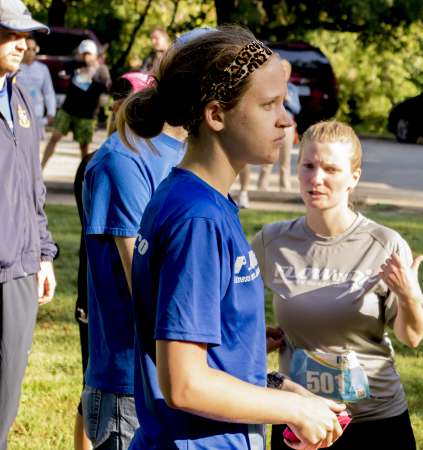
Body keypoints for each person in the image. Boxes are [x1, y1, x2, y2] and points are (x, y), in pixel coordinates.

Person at [117, 25, 345, 450]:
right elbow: (184, 383)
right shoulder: (197, 218)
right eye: (268, 105)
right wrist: (296, 411)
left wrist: (277, 385)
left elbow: (205, 349)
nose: (286, 119)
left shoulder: (197, 199)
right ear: (216, 115)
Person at [251, 120, 423, 450]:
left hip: (375, 420)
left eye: (331, 169)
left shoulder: (384, 244)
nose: (316, 179)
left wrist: (408, 295)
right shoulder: (271, 242)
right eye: (308, 165)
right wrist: (254, 339)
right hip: (300, 418)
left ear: (354, 177)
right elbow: (230, 313)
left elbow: (412, 336)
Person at [80, 67, 187, 449]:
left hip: (182, 377)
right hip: (131, 384)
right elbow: (142, 285)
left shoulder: (187, 155)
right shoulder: (122, 160)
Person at [0, 1, 58, 449]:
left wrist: (42, 253)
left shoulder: (19, 97)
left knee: (6, 393)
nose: (23, 43)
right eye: (11, 33)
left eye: (25, 34)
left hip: (18, 269)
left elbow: (32, 184)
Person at [238, 59, 300, 208]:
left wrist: (288, 100)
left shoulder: (292, 89)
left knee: (284, 159)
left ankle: (285, 188)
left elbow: (297, 109)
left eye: (286, 70)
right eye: (281, 69)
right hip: (270, 124)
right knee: (267, 159)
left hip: (288, 126)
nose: (283, 72)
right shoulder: (268, 88)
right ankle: (261, 188)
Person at [41, 39, 110, 169]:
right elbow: (61, 71)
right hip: (67, 109)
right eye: (83, 53)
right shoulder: (74, 64)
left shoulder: (102, 70)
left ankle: (84, 178)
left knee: (84, 148)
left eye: (89, 54)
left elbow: (106, 89)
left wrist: (93, 74)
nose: (86, 56)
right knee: (54, 137)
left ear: (95, 54)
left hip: (87, 115)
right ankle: (41, 169)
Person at [17, 36, 56, 139]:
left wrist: (51, 112)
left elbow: (48, 92)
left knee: (35, 149)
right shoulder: (14, 67)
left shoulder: (42, 69)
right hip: (18, 114)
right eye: (28, 49)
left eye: (33, 49)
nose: (30, 52)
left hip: (37, 115)